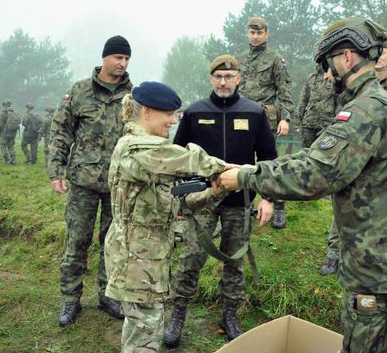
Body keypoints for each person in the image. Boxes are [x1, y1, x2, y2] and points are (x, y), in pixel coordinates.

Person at [218, 18, 387, 352]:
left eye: (327, 64)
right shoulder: (372, 102)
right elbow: (315, 155)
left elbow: (315, 175)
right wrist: (257, 167)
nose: (326, 74)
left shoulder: (366, 110)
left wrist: (244, 177)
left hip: (382, 270)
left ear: (346, 59)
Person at [104, 81, 229, 353]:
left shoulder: (150, 154)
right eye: (168, 115)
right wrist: (231, 169)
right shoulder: (137, 148)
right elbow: (188, 160)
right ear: (146, 112)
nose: (173, 121)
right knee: (146, 333)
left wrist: (215, 192)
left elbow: (173, 202)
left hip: (148, 260)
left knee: (142, 327)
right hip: (135, 262)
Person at [164, 55, 277, 347]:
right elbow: (178, 156)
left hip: (240, 199)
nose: (224, 82)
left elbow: (267, 159)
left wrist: (268, 198)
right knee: (191, 258)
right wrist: (180, 199)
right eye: (218, 77)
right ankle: (178, 312)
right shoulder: (194, 112)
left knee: (235, 261)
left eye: (229, 76)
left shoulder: (254, 112)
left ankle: (229, 314)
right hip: (202, 198)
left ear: (239, 78)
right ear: (211, 79)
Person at [320, 38, 387, 276]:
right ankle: (334, 254)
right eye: (376, 52)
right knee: (346, 200)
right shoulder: (355, 83)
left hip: (383, 158)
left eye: (384, 52)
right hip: (355, 150)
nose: (379, 56)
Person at [47, 35, 132, 327]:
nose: (122, 63)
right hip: (82, 182)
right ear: (104, 58)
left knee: (113, 243)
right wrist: (56, 171)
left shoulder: (134, 96)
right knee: (77, 241)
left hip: (118, 184)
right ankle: (71, 299)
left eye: (126, 59)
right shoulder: (80, 92)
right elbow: (60, 132)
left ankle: (109, 295)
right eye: (117, 58)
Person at [237, 16, 294, 229]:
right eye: (252, 32)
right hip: (241, 118)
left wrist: (286, 118)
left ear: (266, 34)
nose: (255, 36)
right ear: (247, 33)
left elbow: (284, 90)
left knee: (269, 162)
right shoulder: (239, 60)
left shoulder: (275, 59)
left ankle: (277, 204)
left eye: (259, 32)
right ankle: (243, 206)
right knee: (242, 160)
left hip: (265, 117)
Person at [296, 69, 336, 148]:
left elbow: (340, 101)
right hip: (309, 123)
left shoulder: (335, 77)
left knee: (323, 152)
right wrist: (298, 122)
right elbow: (303, 100)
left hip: (328, 123)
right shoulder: (312, 78)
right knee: (305, 152)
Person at [0, 101, 21, 165]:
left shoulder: (3, 113)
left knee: (3, 146)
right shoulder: (15, 113)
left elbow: (0, 124)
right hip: (13, 133)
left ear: (4, 105)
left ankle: (7, 159)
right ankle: (14, 160)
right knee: (11, 146)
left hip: (4, 132)